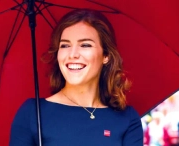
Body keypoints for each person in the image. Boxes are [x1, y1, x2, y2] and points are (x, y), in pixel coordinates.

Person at [9, 9, 142, 145]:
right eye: (65, 45)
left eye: (85, 45)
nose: (72, 54)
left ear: (106, 55)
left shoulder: (127, 119)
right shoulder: (32, 113)